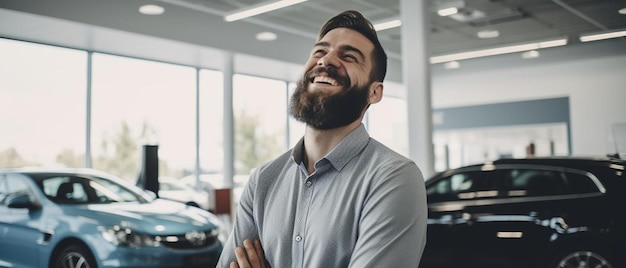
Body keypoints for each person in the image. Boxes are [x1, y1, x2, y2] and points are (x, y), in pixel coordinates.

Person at [217, 10, 427, 268]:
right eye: (319, 52)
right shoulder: (263, 180)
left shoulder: (393, 179)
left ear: (374, 92)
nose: (327, 61)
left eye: (349, 56)